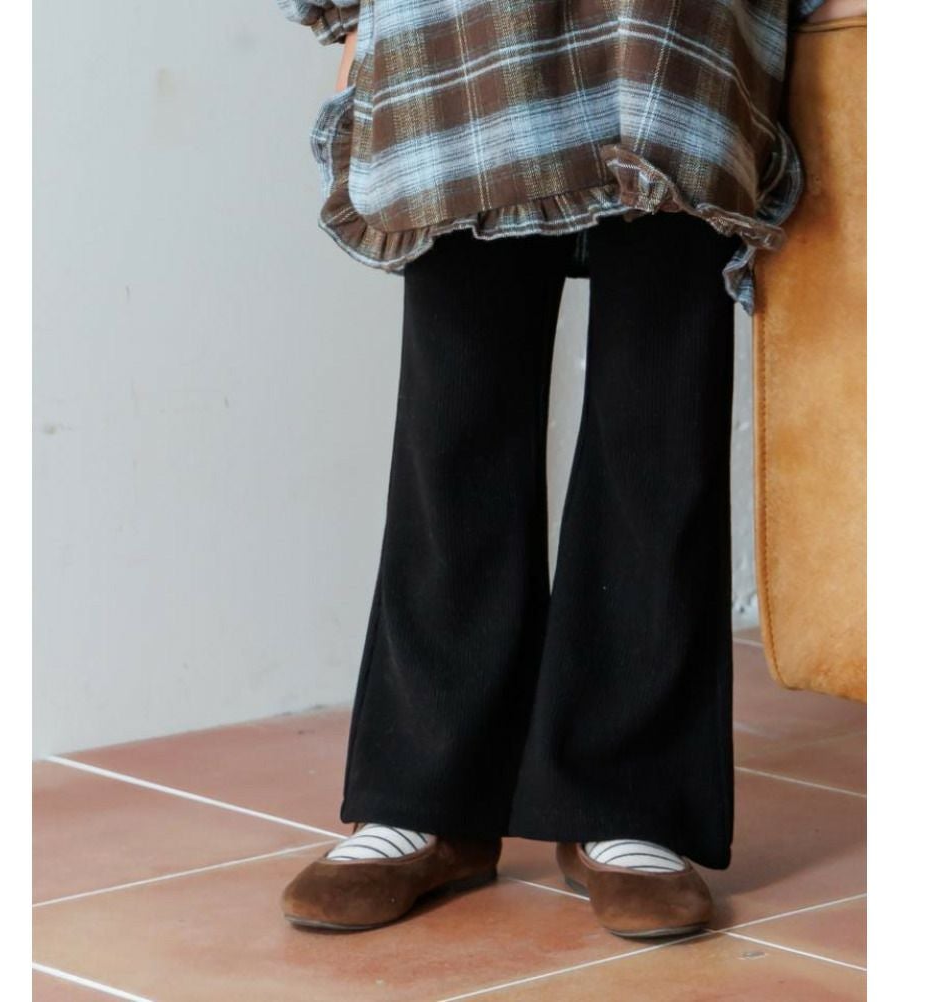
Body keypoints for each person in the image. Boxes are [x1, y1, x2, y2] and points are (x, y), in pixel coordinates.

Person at [273, 0, 865, 938]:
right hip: (465, 27)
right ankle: (427, 796)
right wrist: (344, 16)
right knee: (453, 411)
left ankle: (630, 799)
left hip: (676, 31)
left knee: (658, 415)